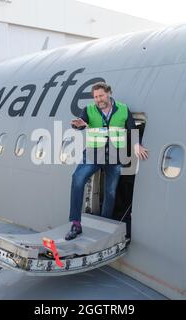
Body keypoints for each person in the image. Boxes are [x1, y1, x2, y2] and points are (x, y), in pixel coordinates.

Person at [65, 82, 149, 241]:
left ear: (109, 93)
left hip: (114, 157)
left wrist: (137, 145)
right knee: (77, 179)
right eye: (95, 97)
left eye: (101, 95)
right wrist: (79, 125)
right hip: (93, 154)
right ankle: (76, 223)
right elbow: (82, 121)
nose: (98, 99)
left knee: (110, 192)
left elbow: (132, 128)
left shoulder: (123, 109)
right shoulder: (89, 110)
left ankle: (104, 222)